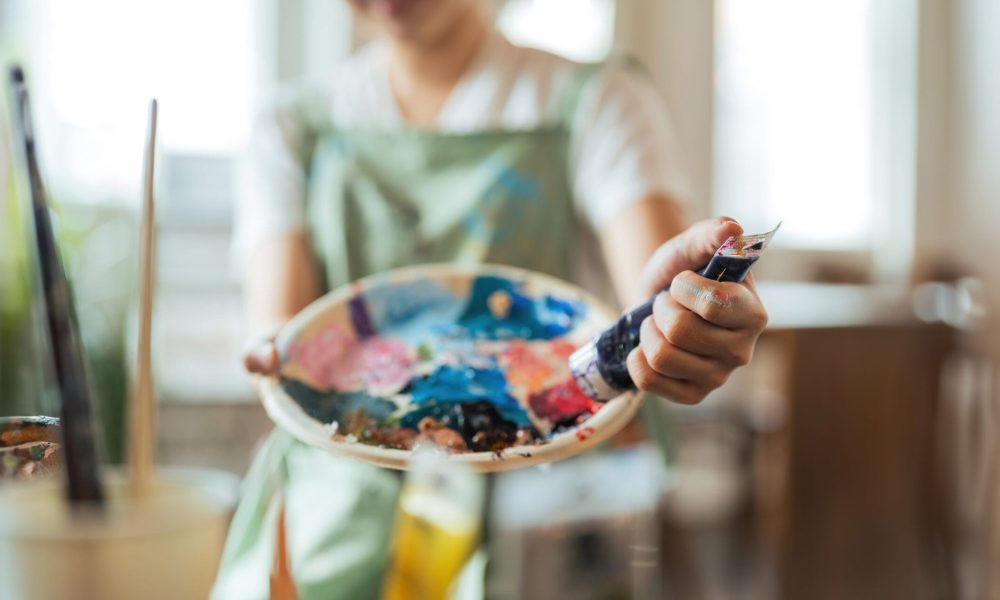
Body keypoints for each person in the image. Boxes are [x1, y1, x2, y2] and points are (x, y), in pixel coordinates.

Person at [213, 0, 768, 598]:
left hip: (548, 497)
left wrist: (682, 319)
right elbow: (283, 331)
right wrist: (273, 353)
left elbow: (655, 277)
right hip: (347, 504)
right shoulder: (293, 124)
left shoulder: (594, 99)